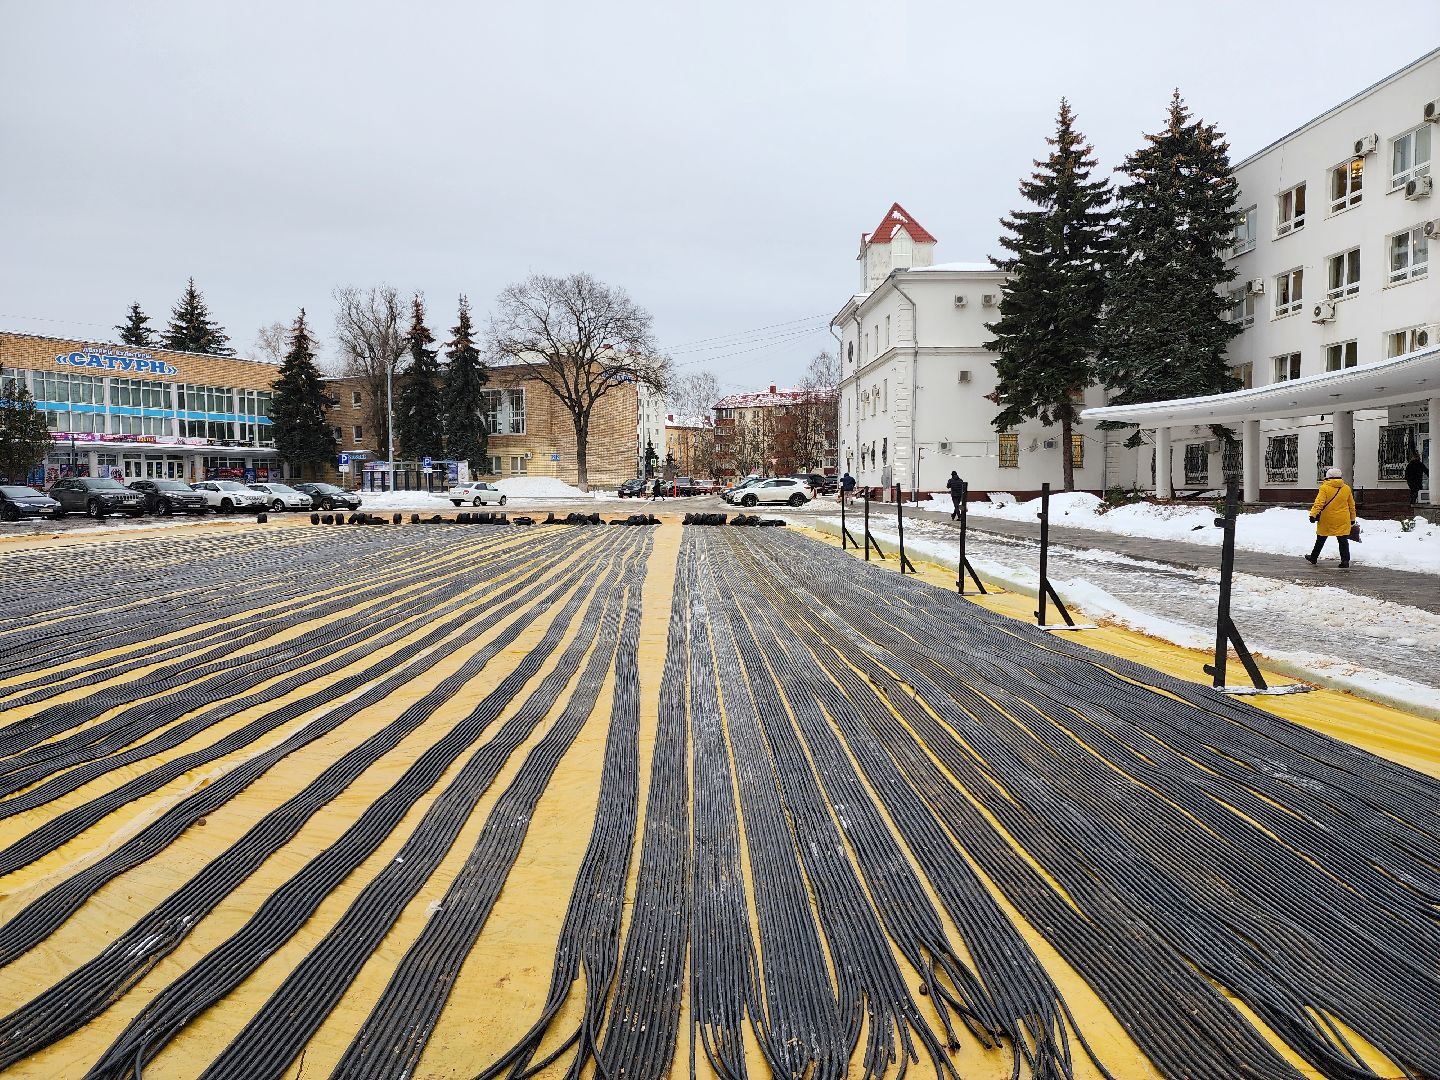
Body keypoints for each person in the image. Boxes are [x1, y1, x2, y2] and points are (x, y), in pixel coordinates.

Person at [1306, 466, 1356, 568]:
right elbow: (1351, 505)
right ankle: (1345, 561)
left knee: (1321, 538)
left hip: (1327, 518)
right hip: (1342, 518)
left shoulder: (1324, 488)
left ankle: (1314, 557)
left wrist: (1313, 514)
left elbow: (1319, 503)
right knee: (1343, 540)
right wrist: (1352, 518)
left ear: (1328, 477)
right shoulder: (1346, 488)